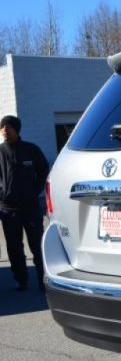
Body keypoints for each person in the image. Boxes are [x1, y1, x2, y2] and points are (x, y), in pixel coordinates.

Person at [0, 115, 49, 291]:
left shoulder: (31, 149)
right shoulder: (0, 152)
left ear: (17, 129)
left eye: (9, 126)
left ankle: (43, 279)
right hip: (8, 210)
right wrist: (2, 195)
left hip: (31, 208)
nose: (5, 129)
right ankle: (21, 280)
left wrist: (35, 190)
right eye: (2, 127)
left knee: (37, 245)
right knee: (14, 248)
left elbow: (43, 169)